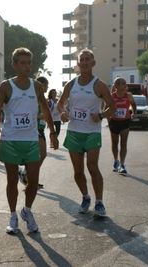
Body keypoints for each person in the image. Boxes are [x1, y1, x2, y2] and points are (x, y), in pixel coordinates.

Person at [0, 47, 59, 234]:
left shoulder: (36, 86)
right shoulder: (6, 86)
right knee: (12, 180)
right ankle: (12, 216)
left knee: (33, 181)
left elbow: (46, 109)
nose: (27, 66)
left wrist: (53, 133)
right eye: (22, 63)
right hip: (10, 140)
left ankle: (27, 211)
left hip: (31, 140)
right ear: (14, 65)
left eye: (29, 63)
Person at [56, 49, 116, 218]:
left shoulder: (99, 85)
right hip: (74, 131)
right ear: (78, 64)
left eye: (87, 59)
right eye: (81, 60)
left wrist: (102, 115)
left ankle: (99, 202)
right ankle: (85, 197)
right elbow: (60, 104)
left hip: (92, 132)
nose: (84, 62)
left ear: (93, 63)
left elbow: (113, 107)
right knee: (77, 171)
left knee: (92, 166)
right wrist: (62, 113)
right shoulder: (71, 84)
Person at [18, 76, 50, 189]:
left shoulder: (43, 98)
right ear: (41, 85)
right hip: (34, 128)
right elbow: (27, 112)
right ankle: (26, 174)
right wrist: (40, 116)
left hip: (41, 128)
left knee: (40, 155)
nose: (47, 87)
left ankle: (30, 177)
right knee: (41, 154)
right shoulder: (33, 97)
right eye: (46, 85)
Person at [106, 77, 136, 175]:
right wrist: (110, 117)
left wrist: (133, 113)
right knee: (115, 143)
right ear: (117, 86)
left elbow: (133, 104)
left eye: (125, 83)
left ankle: (122, 164)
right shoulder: (111, 97)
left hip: (125, 122)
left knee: (123, 143)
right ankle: (115, 161)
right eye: (123, 83)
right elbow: (105, 109)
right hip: (114, 122)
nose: (125, 85)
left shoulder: (129, 95)